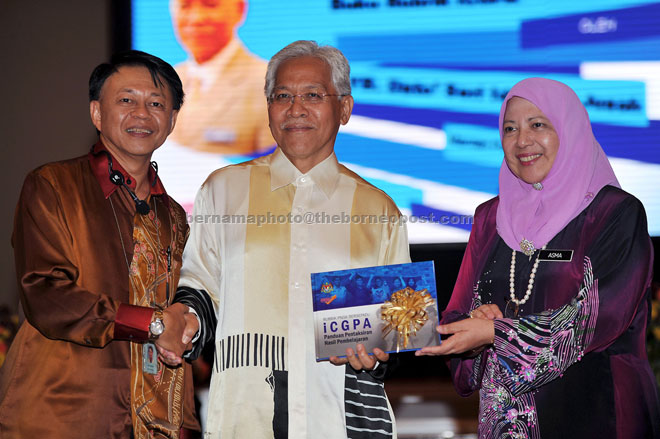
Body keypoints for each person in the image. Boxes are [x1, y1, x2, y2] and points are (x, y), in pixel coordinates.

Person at [163, 40, 411, 438]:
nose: (296, 109)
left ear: (344, 108)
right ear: (268, 109)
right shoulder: (223, 191)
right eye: (282, 96)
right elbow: (200, 287)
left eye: (313, 95)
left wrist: (381, 352)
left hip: (341, 420)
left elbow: (397, 326)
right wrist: (185, 320)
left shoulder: (379, 211)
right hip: (247, 418)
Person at [417, 78, 660, 438]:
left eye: (538, 125)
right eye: (510, 128)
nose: (522, 141)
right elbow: (456, 314)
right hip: (509, 424)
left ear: (568, 129)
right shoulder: (490, 218)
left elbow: (598, 315)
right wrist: (475, 321)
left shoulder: (614, 213)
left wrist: (496, 333)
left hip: (599, 413)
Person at [0, 51, 200, 438]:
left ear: (172, 120)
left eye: (156, 104)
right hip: (63, 413)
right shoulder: (52, 185)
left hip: (155, 421)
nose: (142, 113)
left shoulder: (174, 215)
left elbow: (181, 310)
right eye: (126, 100)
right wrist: (153, 324)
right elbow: (46, 293)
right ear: (97, 113)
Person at [169, 0, 274, 153]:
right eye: (185, 6)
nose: (197, 18)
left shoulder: (270, 84)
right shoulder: (163, 80)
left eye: (210, 5)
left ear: (240, 9)